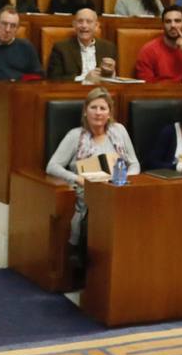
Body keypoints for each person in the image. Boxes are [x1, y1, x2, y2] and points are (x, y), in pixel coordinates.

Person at [46, 86, 141, 252]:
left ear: (109, 113)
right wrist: (76, 178)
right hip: (89, 193)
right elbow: (52, 166)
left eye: (103, 108)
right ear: (85, 111)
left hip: (119, 190)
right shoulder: (75, 136)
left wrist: (127, 178)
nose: (98, 113)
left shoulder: (119, 131)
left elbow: (134, 164)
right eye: (93, 107)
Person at [134, 7, 182, 82]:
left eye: (177, 21)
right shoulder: (148, 50)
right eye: (168, 21)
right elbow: (145, 86)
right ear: (163, 25)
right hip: (159, 92)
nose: (173, 25)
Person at [47, 8, 116, 83]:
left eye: (89, 22)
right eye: (80, 21)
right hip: (74, 91)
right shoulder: (61, 48)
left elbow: (113, 78)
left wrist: (110, 74)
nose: (84, 25)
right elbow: (54, 79)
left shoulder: (108, 47)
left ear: (96, 25)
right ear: (74, 25)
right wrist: (84, 79)